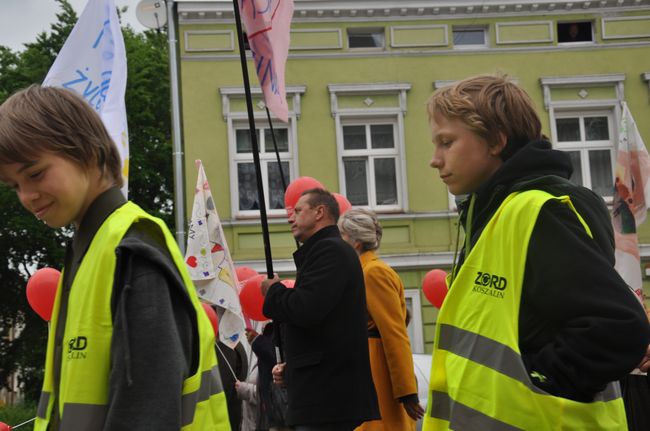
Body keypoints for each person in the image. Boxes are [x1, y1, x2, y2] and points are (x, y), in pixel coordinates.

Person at [423, 74, 650, 430]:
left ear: (496, 141)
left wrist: (536, 383)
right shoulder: (494, 213)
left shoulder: (540, 211)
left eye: (446, 143)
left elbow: (618, 327)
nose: (434, 160)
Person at [0, 85, 230, 430]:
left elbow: (147, 414)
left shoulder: (132, 249)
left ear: (89, 154)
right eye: (14, 185)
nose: (27, 196)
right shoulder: (90, 248)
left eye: (35, 174)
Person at [260, 188, 380, 431]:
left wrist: (274, 291)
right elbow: (324, 329)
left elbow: (305, 309)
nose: (290, 217)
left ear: (319, 212)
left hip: (327, 398)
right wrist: (292, 369)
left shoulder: (330, 251)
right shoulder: (324, 251)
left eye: (297, 211)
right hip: (323, 395)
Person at [338, 208, 424, 430]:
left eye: (342, 236)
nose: (338, 243)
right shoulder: (363, 270)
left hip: (377, 371)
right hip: (366, 366)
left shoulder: (373, 272)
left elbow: (394, 332)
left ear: (356, 242)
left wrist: (407, 391)